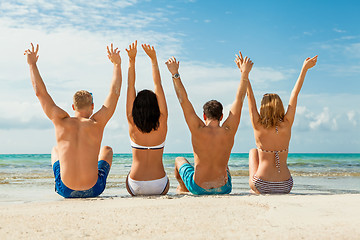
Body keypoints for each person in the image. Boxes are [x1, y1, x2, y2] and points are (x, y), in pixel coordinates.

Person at [24, 43, 122, 198]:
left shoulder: (60, 120)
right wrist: (117, 64)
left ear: (73, 106)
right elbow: (114, 93)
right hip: (94, 189)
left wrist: (32, 64)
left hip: (66, 190)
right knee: (107, 150)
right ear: (92, 106)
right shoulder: (97, 122)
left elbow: (40, 93)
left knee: (56, 150)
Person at [165, 53, 253, 195]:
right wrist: (244, 73)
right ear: (222, 116)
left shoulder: (198, 129)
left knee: (179, 160)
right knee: (224, 165)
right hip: (224, 188)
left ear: (204, 115)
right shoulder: (228, 130)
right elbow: (240, 99)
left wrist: (175, 73)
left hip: (198, 187)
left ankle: (182, 188)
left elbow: (184, 101)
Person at [245, 54, 318, 194]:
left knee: (253, 151)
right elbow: (294, 94)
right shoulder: (287, 123)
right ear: (280, 106)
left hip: (261, 184)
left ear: (262, 108)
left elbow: (250, 97)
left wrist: (245, 74)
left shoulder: (258, 125)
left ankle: (254, 189)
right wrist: (304, 69)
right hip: (286, 185)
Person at [125, 41, 169, 196]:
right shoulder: (162, 120)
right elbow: (158, 84)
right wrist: (153, 59)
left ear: (136, 107)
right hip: (160, 185)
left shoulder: (131, 120)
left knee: (129, 176)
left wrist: (132, 60)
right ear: (156, 106)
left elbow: (130, 86)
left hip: (135, 184)